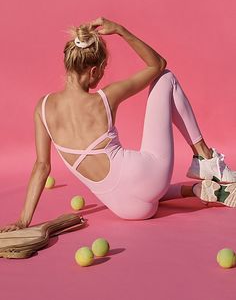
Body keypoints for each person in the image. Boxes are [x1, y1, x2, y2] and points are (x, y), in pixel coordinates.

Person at [1, 17, 236, 232]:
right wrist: (122, 31)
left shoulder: (42, 108)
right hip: (149, 178)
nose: (102, 76)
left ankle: (194, 191)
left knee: (144, 188)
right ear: (93, 71)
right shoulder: (104, 99)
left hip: (128, 209)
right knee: (166, 78)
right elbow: (158, 64)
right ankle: (205, 159)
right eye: (102, 70)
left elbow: (42, 167)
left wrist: (23, 220)